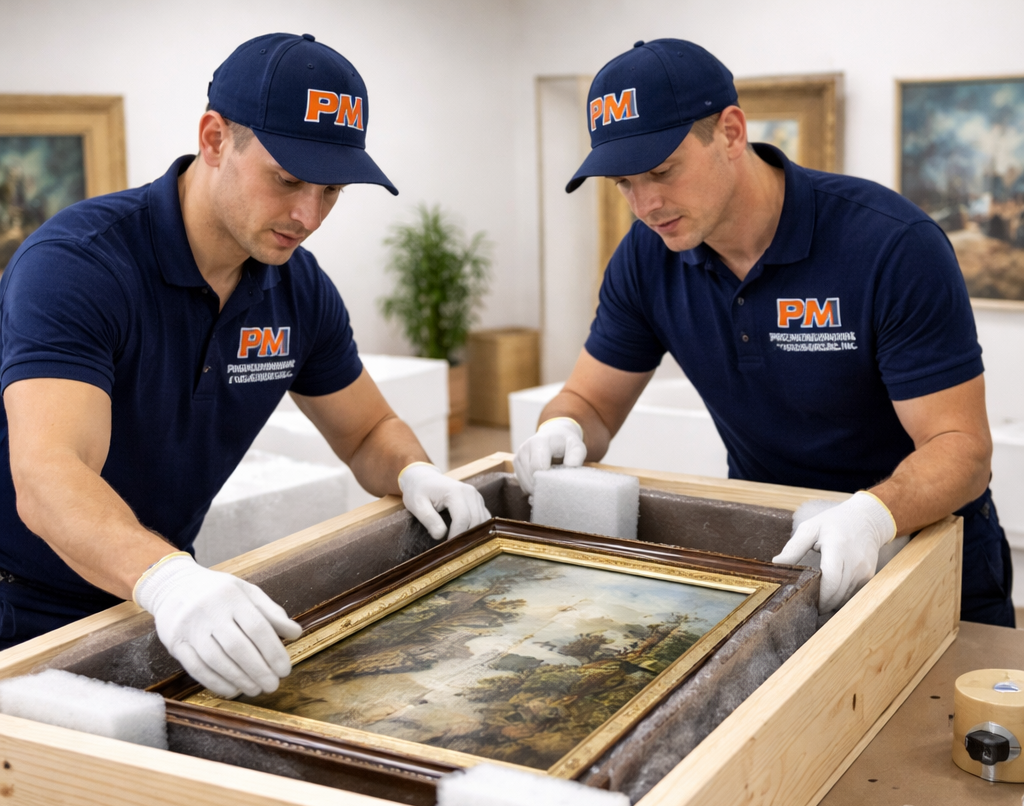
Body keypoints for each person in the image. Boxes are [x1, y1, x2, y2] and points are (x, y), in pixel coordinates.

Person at [0, 33, 490, 691]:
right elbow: (48, 473)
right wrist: (171, 580)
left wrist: (416, 472)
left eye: (331, 191)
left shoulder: (298, 290)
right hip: (23, 603)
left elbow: (368, 432)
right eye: (286, 179)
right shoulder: (79, 265)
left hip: (154, 592)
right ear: (214, 139)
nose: (308, 215)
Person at [515, 38, 1012, 626]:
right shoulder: (646, 259)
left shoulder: (890, 245)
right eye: (623, 183)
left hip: (922, 539)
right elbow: (592, 403)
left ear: (729, 132)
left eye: (661, 171)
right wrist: (561, 426)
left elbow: (962, 449)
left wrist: (872, 516)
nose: (645, 204)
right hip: (775, 545)